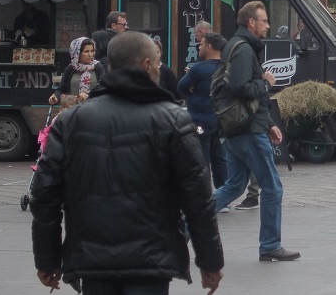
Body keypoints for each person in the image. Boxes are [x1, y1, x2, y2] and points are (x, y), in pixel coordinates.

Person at [30, 31, 224, 295]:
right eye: (157, 63)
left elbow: (44, 195)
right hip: (151, 261)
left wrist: (47, 259)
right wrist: (210, 262)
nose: (159, 69)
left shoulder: (70, 121)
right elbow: (198, 198)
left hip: (92, 260)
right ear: (147, 64)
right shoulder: (173, 120)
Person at [211, 1, 300, 262]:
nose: (268, 26)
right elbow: (240, 88)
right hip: (248, 131)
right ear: (251, 22)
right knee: (272, 187)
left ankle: (185, 221)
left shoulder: (237, 46)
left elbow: (246, 95)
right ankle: (270, 245)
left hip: (240, 128)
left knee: (235, 185)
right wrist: (266, 83)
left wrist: (269, 123)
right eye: (264, 21)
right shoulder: (243, 50)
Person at [178, 32, 229, 191]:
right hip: (220, 122)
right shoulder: (226, 68)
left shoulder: (198, 69)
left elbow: (181, 87)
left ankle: (204, 193)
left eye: (201, 44)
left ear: (208, 47)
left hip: (200, 123)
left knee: (202, 158)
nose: (199, 47)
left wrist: (191, 87)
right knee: (220, 158)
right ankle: (223, 193)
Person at [49, 37, 105, 106]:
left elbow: (102, 88)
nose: (90, 54)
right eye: (86, 51)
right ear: (78, 53)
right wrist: (55, 97)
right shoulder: (70, 69)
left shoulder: (98, 67)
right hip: (73, 108)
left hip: (94, 108)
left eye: (92, 51)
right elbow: (61, 89)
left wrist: (89, 95)